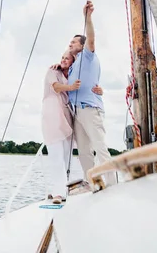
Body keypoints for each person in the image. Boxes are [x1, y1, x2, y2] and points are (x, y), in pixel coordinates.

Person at [42, 49, 103, 204]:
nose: (63, 60)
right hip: (53, 118)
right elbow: (56, 87)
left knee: (65, 157)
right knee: (56, 156)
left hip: (68, 119)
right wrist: (71, 87)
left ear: (73, 62)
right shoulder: (52, 71)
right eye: (62, 57)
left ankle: (62, 189)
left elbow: (86, 89)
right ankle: (58, 193)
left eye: (66, 58)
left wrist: (99, 91)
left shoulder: (71, 76)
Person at [66, 0, 116, 186]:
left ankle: (112, 184)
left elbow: (92, 38)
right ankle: (95, 184)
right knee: (84, 152)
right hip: (77, 112)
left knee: (99, 147)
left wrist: (87, 18)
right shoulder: (73, 64)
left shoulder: (88, 55)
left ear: (82, 45)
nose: (70, 44)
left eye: (73, 42)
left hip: (89, 108)